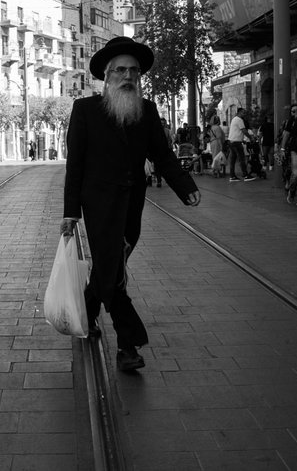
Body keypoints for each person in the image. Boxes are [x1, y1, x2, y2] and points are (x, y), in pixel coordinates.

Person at [61, 37, 201, 371]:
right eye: (121, 70)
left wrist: (185, 186)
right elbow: (75, 164)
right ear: (107, 76)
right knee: (114, 272)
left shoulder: (146, 110)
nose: (128, 76)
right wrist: (70, 212)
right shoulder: (85, 111)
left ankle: (85, 308)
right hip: (98, 206)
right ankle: (129, 343)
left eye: (134, 71)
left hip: (131, 208)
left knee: (109, 269)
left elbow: (162, 156)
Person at [227, 108, 256, 182]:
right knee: (241, 159)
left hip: (231, 141)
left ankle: (232, 176)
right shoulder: (239, 120)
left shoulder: (234, 119)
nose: (244, 114)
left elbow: (236, 132)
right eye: (243, 112)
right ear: (239, 112)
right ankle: (246, 175)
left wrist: (242, 140)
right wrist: (251, 138)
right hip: (236, 143)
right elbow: (244, 130)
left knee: (233, 160)